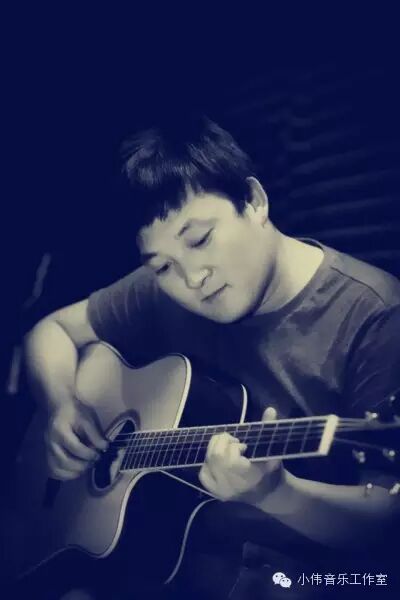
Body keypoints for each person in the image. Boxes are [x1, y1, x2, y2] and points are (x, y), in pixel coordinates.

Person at [24, 116, 400, 599]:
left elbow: (386, 523)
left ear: (255, 201)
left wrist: (276, 493)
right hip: (165, 564)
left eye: (200, 239)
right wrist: (61, 405)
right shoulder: (161, 291)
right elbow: (50, 332)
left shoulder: (376, 315)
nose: (192, 278)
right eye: (162, 265)